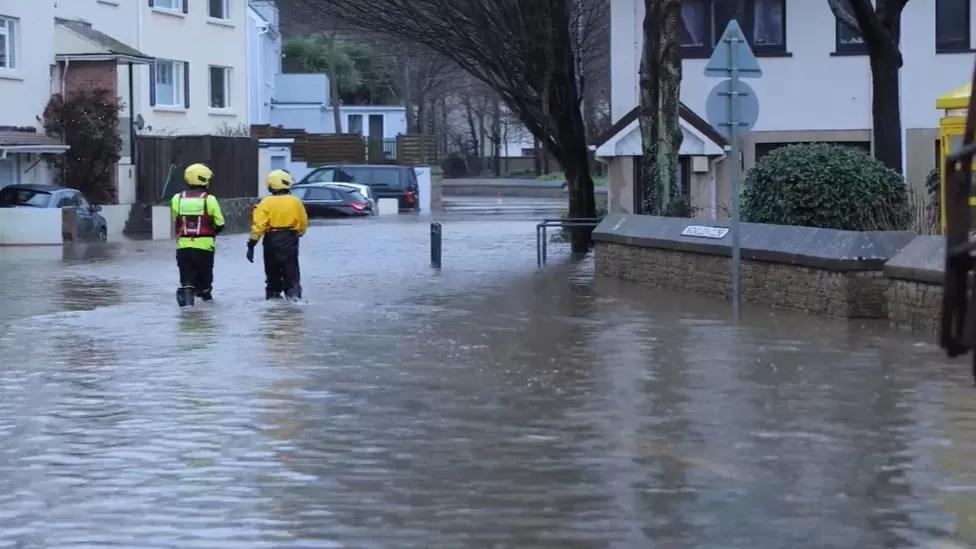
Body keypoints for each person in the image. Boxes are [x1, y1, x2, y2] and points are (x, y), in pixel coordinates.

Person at [247, 170, 309, 300]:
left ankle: (273, 298)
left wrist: (251, 244)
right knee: (291, 271)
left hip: (271, 240)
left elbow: (258, 226)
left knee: (272, 273)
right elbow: (303, 222)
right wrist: (299, 233)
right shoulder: (296, 201)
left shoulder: (265, 202)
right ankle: (294, 296)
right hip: (290, 239)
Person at [171, 163, 225, 307]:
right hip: (205, 249)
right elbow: (220, 224)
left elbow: (175, 218)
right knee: (205, 282)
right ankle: (206, 311)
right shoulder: (210, 200)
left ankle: (188, 311)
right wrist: (211, 235)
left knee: (186, 281)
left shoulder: (177, 198)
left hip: (183, 247)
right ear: (204, 180)